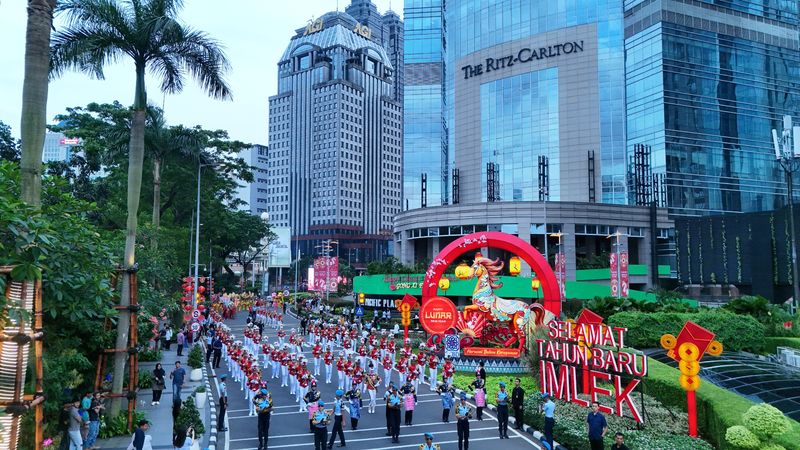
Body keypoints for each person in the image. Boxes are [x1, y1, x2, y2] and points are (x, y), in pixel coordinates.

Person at [254, 383, 273, 450]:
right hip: (261, 415)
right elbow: (253, 399)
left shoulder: (269, 395)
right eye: (262, 388)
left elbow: (271, 406)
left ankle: (265, 444)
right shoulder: (259, 395)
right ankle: (260, 443)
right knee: (259, 430)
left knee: (266, 430)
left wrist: (265, 409)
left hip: (266, 414)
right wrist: (257, 406)